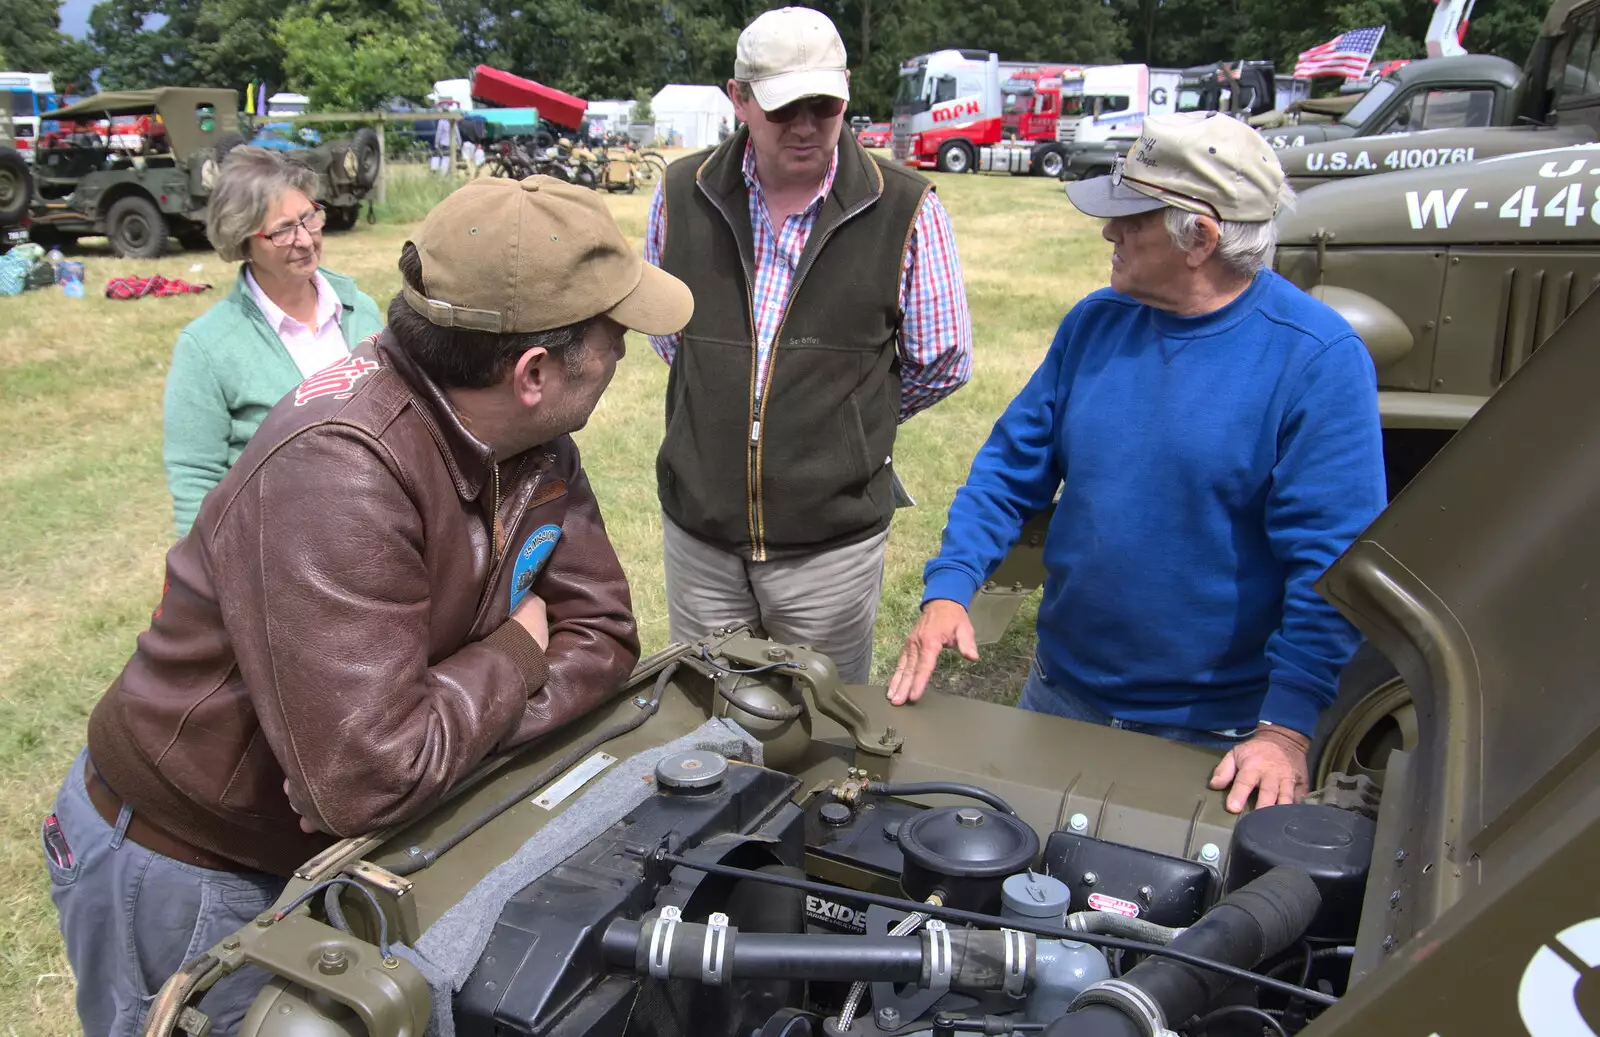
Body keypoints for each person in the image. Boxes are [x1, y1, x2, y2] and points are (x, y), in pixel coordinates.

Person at [43, 175, 693, 1037]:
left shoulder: (532, 441)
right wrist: (519, 649)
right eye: (613, 332)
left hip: (332, 856)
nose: (620, 351)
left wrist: (440, 727)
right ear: (533, 371)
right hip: (190, 864)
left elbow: (606, 635)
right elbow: (373, 777)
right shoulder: (339, 470)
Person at [887, 112, 1387, 813]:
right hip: (1060, 693)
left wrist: (1285, 728)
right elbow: (1007, 469)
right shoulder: (1095, 324)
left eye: (1133, 218)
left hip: (1215, 734)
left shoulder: (1317, 361)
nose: (1109, 231)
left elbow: (1332, 567)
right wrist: (950, 586)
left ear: (1201, 238)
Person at [643, 6, 975, 685]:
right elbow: (666, 332)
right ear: (738, 99)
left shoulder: (907, 206)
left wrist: (848, 420)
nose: (803, 126)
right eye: (781, 107)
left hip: (831, 552)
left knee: (821, 729)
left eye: (823, 106)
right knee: (709, 724)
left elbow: (942, 359)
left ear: (847, 94)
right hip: (699, 538)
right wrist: (734, 401)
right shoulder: (680, 192)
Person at [162, 145, 384, 538]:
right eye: (282, 230)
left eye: (308, 218)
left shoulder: (359, 309)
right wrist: (201, 582)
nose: (303, 240)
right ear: (243, 240)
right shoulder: (206, 346)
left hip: (374, 531)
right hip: (276, 551)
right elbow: (196, 479)